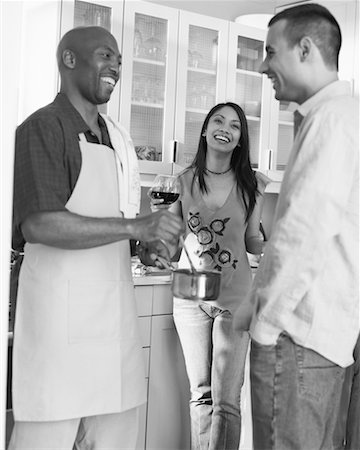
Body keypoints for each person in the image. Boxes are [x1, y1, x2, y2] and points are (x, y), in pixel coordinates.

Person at [9, 26, 183, 450]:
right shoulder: (42, 128)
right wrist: (134, 228)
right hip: (59, 327)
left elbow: (109, 220)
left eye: (120, 61)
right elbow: (39, 226)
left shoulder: (114, 137)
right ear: (69, 60)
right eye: (106, 56)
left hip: (112, 321)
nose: (116, 68)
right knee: (45, 438)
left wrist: (145, 245)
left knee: (115, 437)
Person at [233, 4, 359, 450]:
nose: (264, 64)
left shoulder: (332, 120)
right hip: (320, 340)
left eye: (271, 51)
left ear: (305, 49)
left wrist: (266, 327)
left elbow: (304, 233)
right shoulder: (339, 117)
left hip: (297, 338)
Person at [151, 102, 270, 450]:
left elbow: (251, 240)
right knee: (201, 394)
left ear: (239, 139)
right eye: (218, 120)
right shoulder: (182, 182)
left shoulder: (252, 185)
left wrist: (276, 245)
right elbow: (171, 246)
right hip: (190, 297)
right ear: (205, 130)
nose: (225, 128)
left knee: (227, 401)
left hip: (234, 299)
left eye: (235, 125)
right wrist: (158, 226)